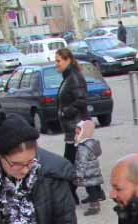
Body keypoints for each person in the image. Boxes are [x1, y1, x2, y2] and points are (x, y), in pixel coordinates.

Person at [55, 48, 89, 201]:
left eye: (58, 61)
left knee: (73, 160)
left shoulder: (74, 77)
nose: (57, 64)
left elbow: (81, 101)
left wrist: (65, 112)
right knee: (75, 160)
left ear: (68, 60)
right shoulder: (68, 77)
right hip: (72, 127)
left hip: (77, 127)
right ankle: (74, 191)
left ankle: (73, 191)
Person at [73, 119, 105, 215]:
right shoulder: (91, 142)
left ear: (83, 131)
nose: (76, 131)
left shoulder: (83, 147)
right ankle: (100, 194)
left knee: (90, 187)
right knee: (96, 184)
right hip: (94, 170)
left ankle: (94, 205)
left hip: (87, 172)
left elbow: (81, 162)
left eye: (78, 129)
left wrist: (79, 174)